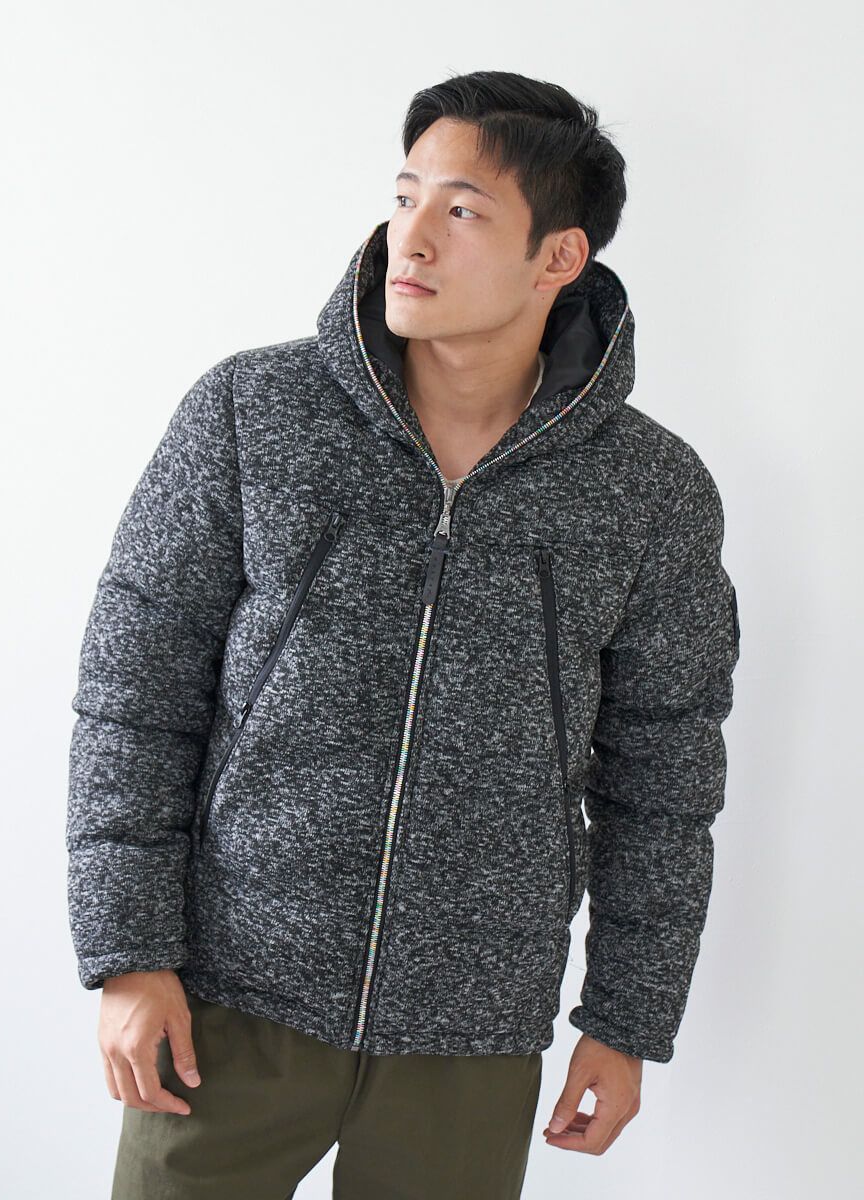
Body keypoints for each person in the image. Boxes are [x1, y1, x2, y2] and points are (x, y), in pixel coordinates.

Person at [66, 69, 741, 1198]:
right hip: (229, 1001)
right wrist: (129, 953)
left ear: (559, 257)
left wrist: (626, 1020)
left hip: (470, 1034)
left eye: (461, 210)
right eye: (404, 196)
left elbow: (665, 779)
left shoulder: (650, 492)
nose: (410, 238)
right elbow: (134, 694)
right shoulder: (252, 413)